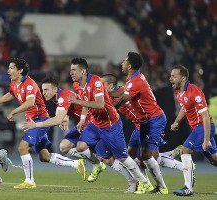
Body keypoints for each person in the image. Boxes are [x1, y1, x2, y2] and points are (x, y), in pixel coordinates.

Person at [22, 76, 143, 192]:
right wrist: (67, 117)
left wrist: (36, 125)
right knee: (64, 147)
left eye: (46, 90)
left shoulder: (64, 95)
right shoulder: (59, 97)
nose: (44, 93)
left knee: (107, 159)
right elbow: (71, 108)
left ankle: (132, 180)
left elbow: (58, 118)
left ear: (54, 89)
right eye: (43, 90)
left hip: (94, 125)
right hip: (83, 125)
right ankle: (96, 163)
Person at [0, 58, 86, 189]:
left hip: (40, 120)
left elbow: (30, 102)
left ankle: (29, 181)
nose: (8, 71)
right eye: (9, 68)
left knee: (22, 147)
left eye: (11, 68)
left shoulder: (29, 84)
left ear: (20, 70)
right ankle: (76, 164)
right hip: (33, 121)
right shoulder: (14, 83)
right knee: (44, 156)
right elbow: (11, 94)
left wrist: (13, 112)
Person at [68, 57, 153, 194]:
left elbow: (100, 104)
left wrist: (77, 102)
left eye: (74, 70)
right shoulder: (77, 85)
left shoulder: (95, 81)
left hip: (110, 125)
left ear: (83, 71)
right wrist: (83, 119)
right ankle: (100, 166)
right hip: (95, 125)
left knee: (123, 157)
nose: (71, 72)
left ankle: (144, 182)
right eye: (70, 70)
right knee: (81, 147)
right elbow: (86, 102)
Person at [101, 74, 183, 174]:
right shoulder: (110, 98)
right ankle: (171, 155)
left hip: (148, 123)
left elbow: (121, 95)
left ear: (110, 86)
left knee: (149, 157)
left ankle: (184, 166)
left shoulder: (123, 90)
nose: (100, 88)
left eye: (102, 85)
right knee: (134, 156)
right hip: (138, 126)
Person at [112, 52, 168, 194]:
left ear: (130, 65)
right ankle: (144, 183)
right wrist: (107, 94)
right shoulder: (132, 78)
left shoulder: (135, 81)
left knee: (146, 154)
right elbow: (123, 92)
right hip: (144, 121)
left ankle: (161, 186)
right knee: (132, 154)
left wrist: (110, 109)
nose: (122, 64)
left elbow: (124, 98)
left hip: (154, 119)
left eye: (124, 61)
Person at [170, 65, 217, 196]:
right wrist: (176, 121)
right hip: (198, 128)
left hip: (203, 126)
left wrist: (206, 139)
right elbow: (185, 108)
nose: (170, 78)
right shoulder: (179, 91)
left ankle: (188, 188)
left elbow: (206, 117)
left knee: (184, 151)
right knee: (214, 159)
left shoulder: (194, 92)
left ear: (183, 78)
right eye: (171, 75)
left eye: (174, 76)